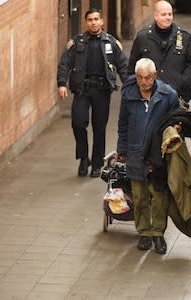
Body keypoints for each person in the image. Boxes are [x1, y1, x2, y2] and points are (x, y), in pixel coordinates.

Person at [116, 58, 180, 254]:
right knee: (139, 196)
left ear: (155, 76)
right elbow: (123, 124)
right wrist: (122, 149)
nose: (144, 82)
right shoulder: (129, 95)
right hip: (135, 153)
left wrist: (177, 129)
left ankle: (158, 234)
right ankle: (144, 233)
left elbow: (177, 118)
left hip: (158, 154)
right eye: (140, 78)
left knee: (160, 196)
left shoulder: (168, 95)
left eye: (148, 77)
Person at [57, 8, 128, 178]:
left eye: (97, 19)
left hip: (102, 90)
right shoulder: (77, 43)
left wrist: (129, 86)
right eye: (90, 19)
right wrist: (62, 84)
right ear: (86, 22)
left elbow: (123, 66)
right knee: (78, 124)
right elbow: (64, 64)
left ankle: (97, 163)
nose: (94, 22)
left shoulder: (111, 42)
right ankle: (83, 158)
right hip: (82, 89)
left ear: (102, 21)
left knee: (99, 128)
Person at [128, 0, 191, 107]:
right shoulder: (142, 37)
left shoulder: (185, 37)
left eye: (170, 14)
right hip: (149, 97)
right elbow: (132, 67)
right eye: (163, 14)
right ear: (156, 16)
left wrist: (182, 82)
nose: (167, 17)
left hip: (175, 96)